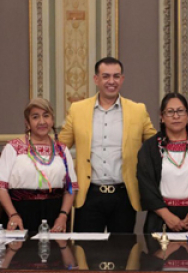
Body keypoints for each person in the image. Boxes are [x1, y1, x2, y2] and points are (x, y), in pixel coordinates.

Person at [59, 57, 156, 232]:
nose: (111, 81)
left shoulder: (138, 110)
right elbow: (59, 148)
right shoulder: (77, 109)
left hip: (124, 195)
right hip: (88, 195)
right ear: (96, 79)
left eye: (116, 76)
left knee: (123, 253)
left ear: (122, 79)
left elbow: (156, 145)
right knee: (85, 253)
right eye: (106, 76)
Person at [137, 93, 188, 233]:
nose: (176, 116)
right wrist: (166, 215)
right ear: (162, 117)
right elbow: (146, 186)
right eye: (170, 112)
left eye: (180, 111)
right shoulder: (150, 148)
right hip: (161, 220)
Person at [0, 98, 78, 234]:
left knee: (53, 254)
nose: (42, 122)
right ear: (27, 123)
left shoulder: (62, 150)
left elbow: (71, 188)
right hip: (20, 212)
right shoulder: (13, 147)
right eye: (35, 117)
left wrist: (63, 216)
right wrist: (13, 215)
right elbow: (0, 188)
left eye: (46, 116)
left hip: (53, 214)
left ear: (52, 120)